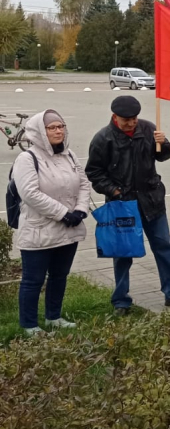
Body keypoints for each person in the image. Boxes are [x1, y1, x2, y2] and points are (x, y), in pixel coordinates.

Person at [85, 95, 170, 315]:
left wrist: (164, 143)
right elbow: (94, 172)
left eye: (134, 118)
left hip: (152, 202)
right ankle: (121, 301)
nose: (131, 123)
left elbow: (162, 157)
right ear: (115, 117)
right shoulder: (103, 139)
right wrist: (114, 191)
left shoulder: (149, 129)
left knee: (164, 247)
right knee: (122, 253)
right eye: (126, 120)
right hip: (122, 204)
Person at [13, 110, 91, 336]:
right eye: (51, 127)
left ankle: (53, 317)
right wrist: (63, 214)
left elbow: (84, 184)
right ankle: (29, 325)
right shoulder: (27, 158)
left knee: (59, 276)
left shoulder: (70, 155)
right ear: (39, 131)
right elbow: (29, 193)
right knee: (33, 281)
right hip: (39, 231)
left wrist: (79, 210)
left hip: (68, 230)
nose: (58, 131)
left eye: (61, 126)